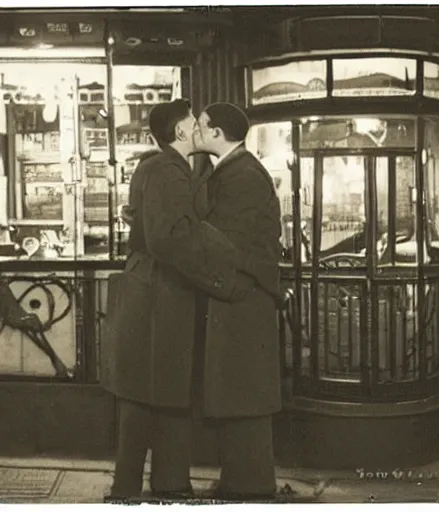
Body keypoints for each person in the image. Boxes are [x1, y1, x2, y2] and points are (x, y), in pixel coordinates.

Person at [103, 99, 257, 502]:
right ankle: (147, 487)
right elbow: (171, 238)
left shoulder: (155, 166)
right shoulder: (171, 169)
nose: (198, 127)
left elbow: (151, 222)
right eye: (193, 122)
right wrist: (218, 277)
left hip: (153, 294)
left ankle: (159, 483)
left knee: (156, 394)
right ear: (180, 132)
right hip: (161, 297)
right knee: (157, 393)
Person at [191, 102, 282, 501]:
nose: (195, 131)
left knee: (242, 392)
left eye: (201, 126)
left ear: (217, 133)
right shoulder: (235, 169)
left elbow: (229, 239)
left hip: (243, 297)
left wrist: (186, 230)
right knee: (239, 391)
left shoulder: (241, 175)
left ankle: (249, 487)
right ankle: (242, 480)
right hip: (243, 295)